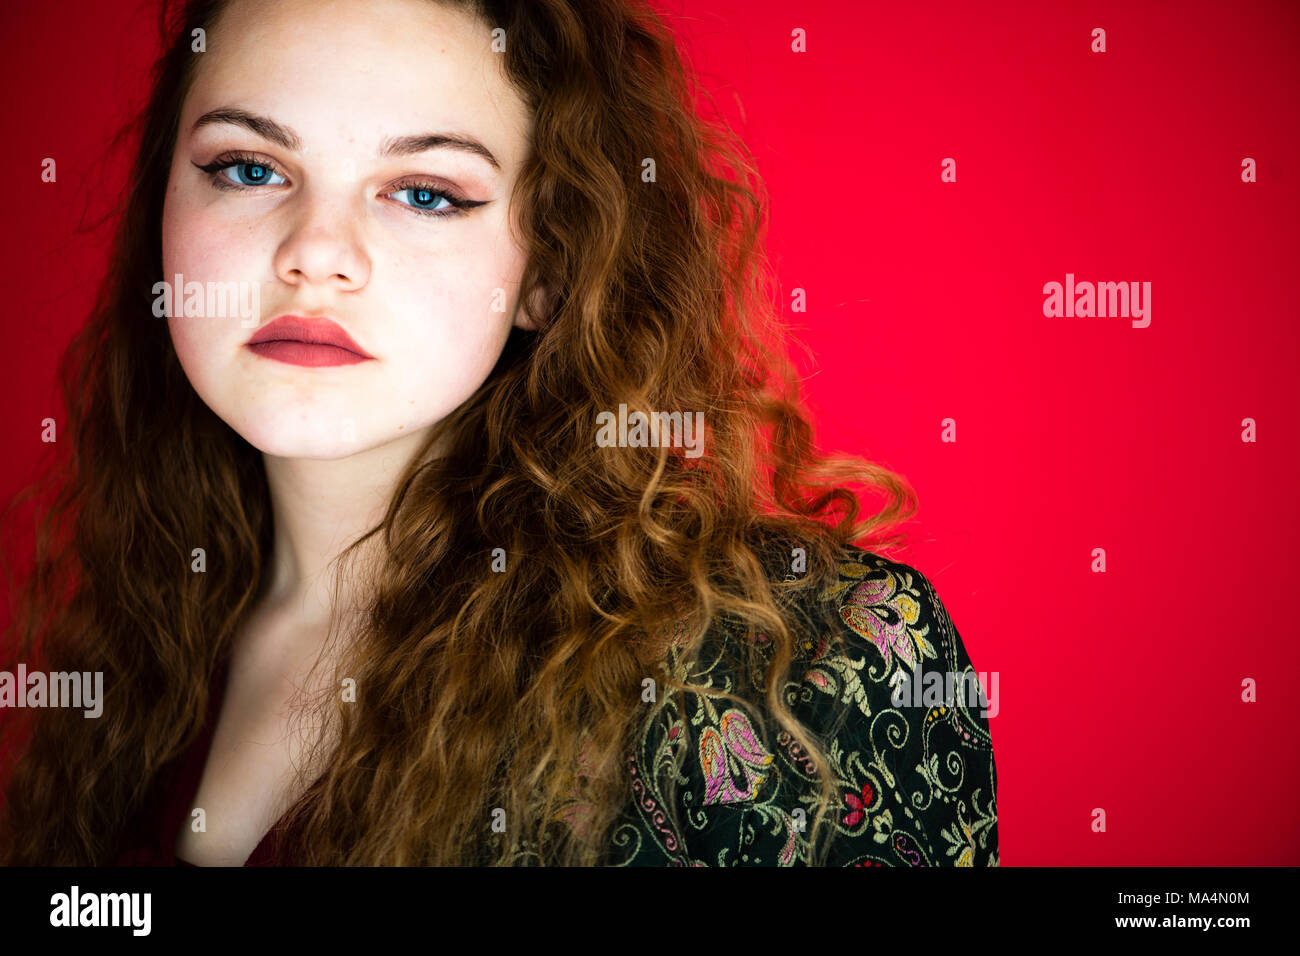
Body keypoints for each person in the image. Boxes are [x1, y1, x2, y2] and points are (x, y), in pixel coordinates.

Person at [0, 0, 997, 866]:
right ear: (164, 210)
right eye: (250, 167)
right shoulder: (140, 634)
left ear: (546, 271)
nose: (314, 254)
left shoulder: (801, 661)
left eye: (426, 192)